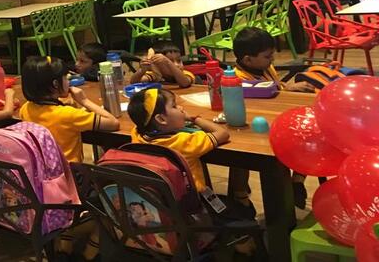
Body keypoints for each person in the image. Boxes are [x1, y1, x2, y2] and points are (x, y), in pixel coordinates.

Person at [127, 89, 255, 221]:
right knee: (246, 212)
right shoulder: (183, 142)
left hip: (164, 204)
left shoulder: (137, 135)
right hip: (194, 205)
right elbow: (223, 133)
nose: (181, 108)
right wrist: (195, 119)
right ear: (161, 119)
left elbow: (138, 127)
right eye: (174, 106)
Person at [233, 26, 313, 208]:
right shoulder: (238, 79)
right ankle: (240, 195)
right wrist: (285, 89)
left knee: (307, 133)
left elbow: (275, 85)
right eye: (267, 56)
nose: (272, 60)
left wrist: (287, 87)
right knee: (240, 157)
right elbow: (258, 101)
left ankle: (297, 180)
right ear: (247, 60)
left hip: (276, 119)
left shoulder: (265, 67)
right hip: (254, 130)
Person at [19, 56, 119, 163]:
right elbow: (113, 123)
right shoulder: (68, 114)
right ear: (55, 84)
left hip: (44, 168)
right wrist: (84, 101)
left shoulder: (26, 108)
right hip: (69, 171)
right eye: (66, 78)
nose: (68, 82)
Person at [130, 42, 194, 87]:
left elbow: (185, 83)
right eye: (171, 61)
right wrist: (142, 71)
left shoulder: (185, 74)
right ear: (157, 66)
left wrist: (168, 62)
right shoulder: (155, 75)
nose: (177, 65)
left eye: (179, 61)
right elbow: (134, 83)